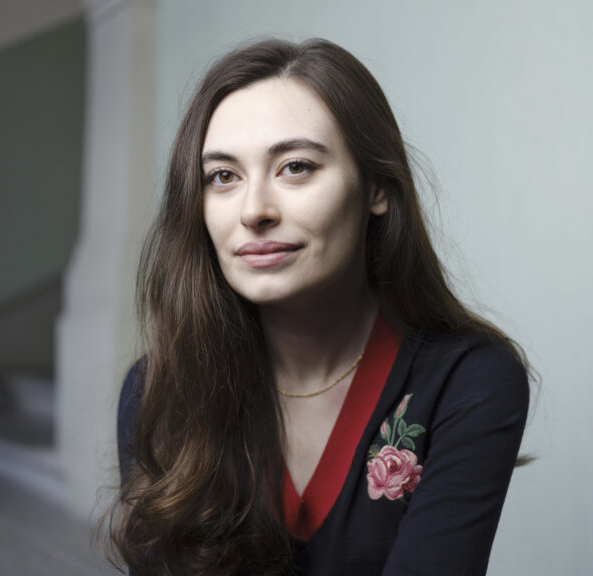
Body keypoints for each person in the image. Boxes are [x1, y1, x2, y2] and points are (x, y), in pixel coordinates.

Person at [106, 38, 530, 576]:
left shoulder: (470, 382)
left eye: (296, 166)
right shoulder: (158, 393)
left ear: (377, 185)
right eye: (223, 176)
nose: (254, 210)